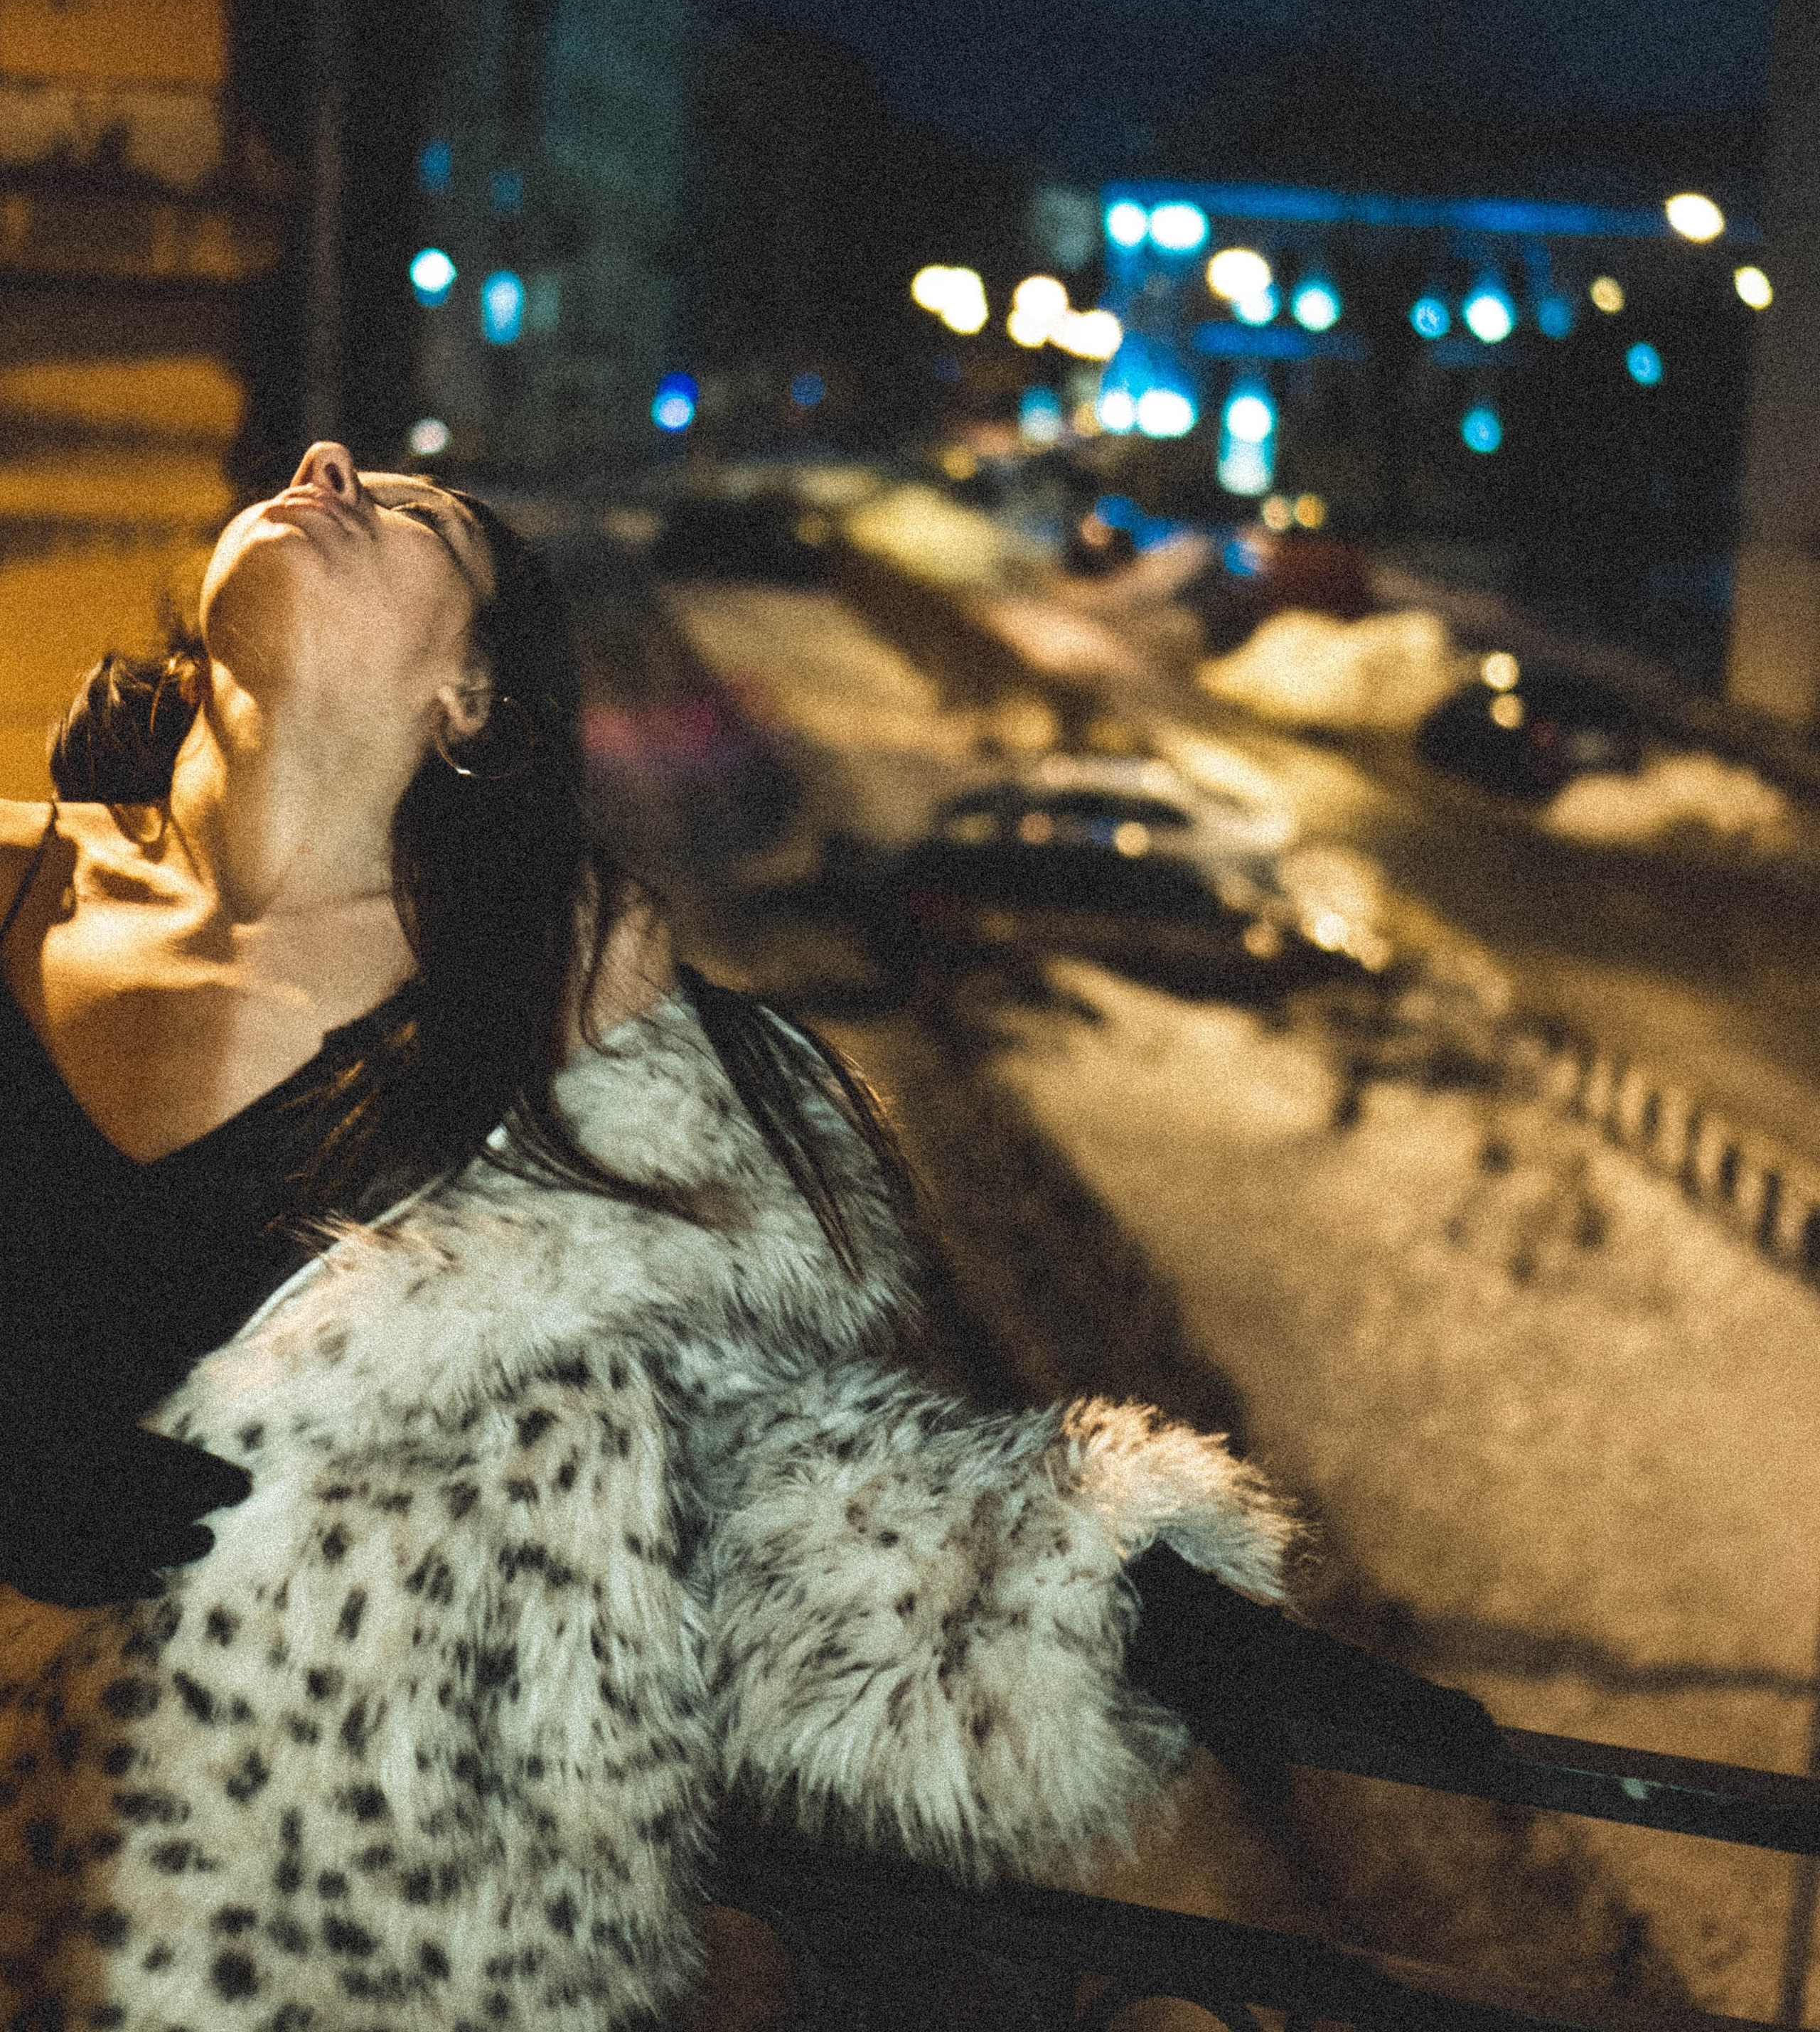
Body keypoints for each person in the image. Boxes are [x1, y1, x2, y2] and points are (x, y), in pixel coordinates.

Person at [0, 443, 1495, 2028]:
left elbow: (714, 1471)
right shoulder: (16, 875)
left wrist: (1132, 1602)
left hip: (360, 1967)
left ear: (471, 701)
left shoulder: (557, 1048)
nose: (326, 467)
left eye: (417, 512)